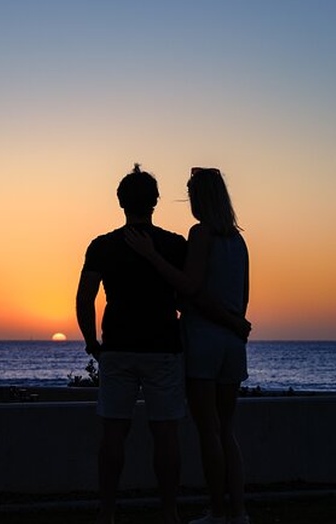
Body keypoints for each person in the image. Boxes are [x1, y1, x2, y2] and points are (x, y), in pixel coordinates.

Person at [123, 167, 251, 524]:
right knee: (227, 430)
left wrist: (152, 257)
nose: (188, 198)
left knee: (208, 429)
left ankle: (218, 510)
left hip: (203, 341)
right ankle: (239, 511)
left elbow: (191, 287)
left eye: (191, 192)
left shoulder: (201, 233)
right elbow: (241, 299)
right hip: (231, 344)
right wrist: (233, 323)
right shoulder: (238, 241)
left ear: (202, 197)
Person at [76, 163, 187, 524]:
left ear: (121, 201)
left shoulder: (103, 246)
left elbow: (85, 296)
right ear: (155, 201)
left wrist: (92, 341)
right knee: (165, 432)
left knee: (113, 432)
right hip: (163, 349)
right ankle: (168, 513)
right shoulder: (173, 244)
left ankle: (107, 513)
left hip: (118, 348)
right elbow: (190, 293)